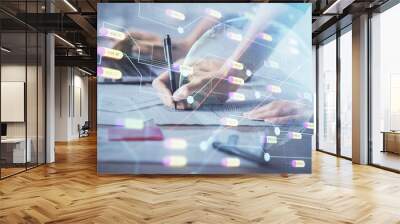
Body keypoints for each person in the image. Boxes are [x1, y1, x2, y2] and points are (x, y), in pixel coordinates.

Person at [116, 4, 313, 125]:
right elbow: (237, 11)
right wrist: (186, 46)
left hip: (301, 77)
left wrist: (316, 113)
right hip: (267, 70)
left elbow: (287, 6)